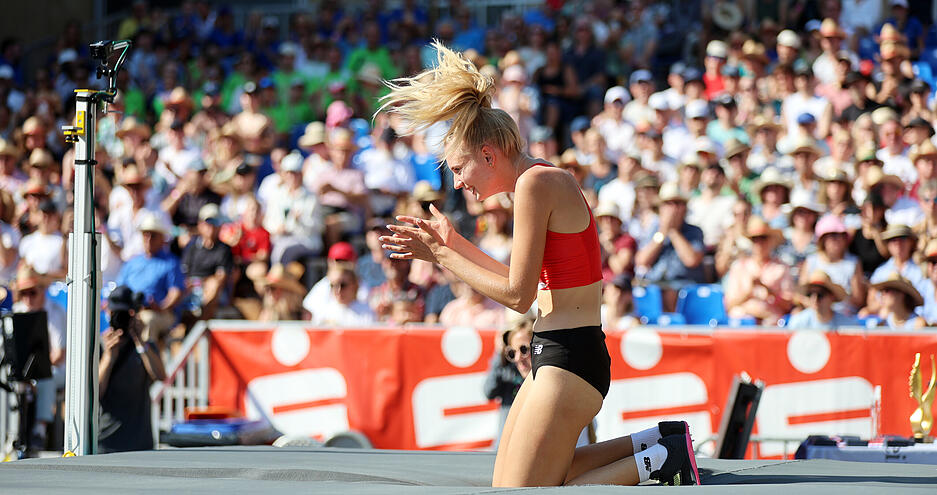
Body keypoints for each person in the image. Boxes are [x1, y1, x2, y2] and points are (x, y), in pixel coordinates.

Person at [378, 42, 698, 487]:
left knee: (523, 490)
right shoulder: (535, 180)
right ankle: (659, 442)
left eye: (459, 168)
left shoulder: (536, 183)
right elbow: (519, 281)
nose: (457, 182)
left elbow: (516, 295)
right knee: (515, 481)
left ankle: (665, 462)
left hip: (571, 355)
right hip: (558, 350)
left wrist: (443, 255)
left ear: (488, 155)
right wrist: (453, 243)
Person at [98, 286, 166, 453]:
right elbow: (96, 392)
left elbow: (160, 376)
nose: (120, 319)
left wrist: (140, 342)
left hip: (140, 443)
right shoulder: (99, 346)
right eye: (116, 314)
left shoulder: (145, 345)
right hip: (106, 442)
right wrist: (109, 357)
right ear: (107, 312)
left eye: (125, 314)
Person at [635, 182, 706, 313]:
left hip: (683, 287)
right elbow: (642, 261)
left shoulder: (694, 232)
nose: (673, 208)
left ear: (684, 208)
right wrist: (662, 233)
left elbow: (691, 260)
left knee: (670, 294)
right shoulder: (654, 230)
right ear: (660, 208)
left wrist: (673, 232)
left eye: (677, 203)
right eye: (668, 203)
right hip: (655, 286)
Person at [786, 270, 858, 330]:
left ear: (832, 296)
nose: (815, 299)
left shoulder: (847, 325)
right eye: (810, 294)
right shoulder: (798, 323)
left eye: (820, 294)